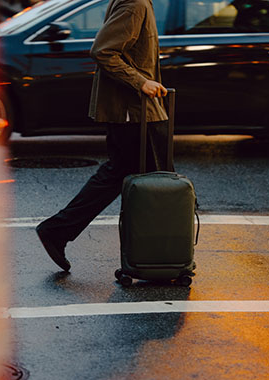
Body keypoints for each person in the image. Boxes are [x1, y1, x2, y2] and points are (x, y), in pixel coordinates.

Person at [35, 0, 172, 271]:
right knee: (155, 182)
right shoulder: (135, 5)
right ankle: (156, 256)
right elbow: (103, 50)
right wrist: (141, 82)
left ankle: (153, 256)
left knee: (128, 177)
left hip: (136, 110)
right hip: (132, 111)